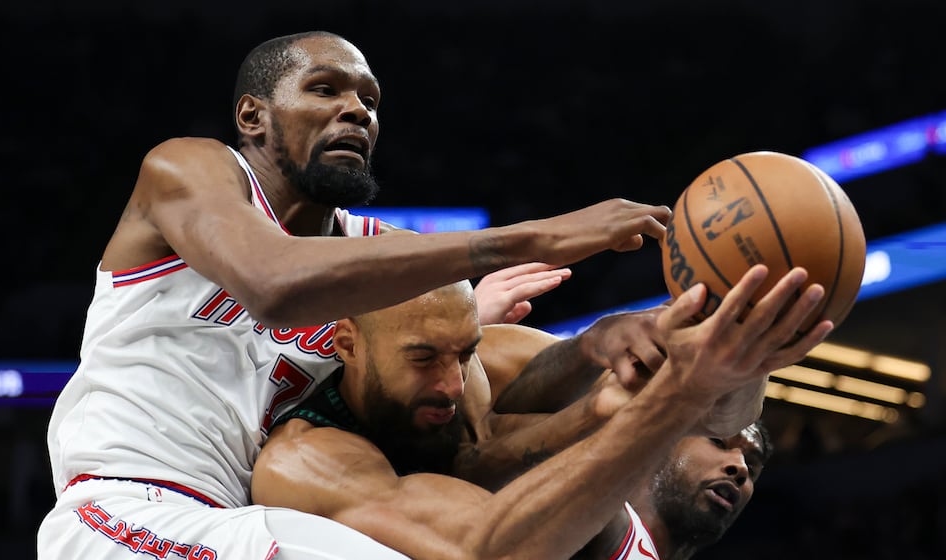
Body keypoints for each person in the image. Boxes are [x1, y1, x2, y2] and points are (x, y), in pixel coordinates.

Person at [38, 29, 677, 559]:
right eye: (325, 89)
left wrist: (455, 329)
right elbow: (273, 283)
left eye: (370, 101)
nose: (357, 111)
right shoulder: (190, 169)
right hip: (130, 507)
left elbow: (470, 437)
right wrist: (534, 237)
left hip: (255, 511)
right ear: (251, 115)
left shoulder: (381, 252)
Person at [252, 263, 831, 559]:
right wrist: (665, 400)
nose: (454, 382)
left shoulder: (474, 360)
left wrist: (747, 333)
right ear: (345, 343)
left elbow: (724, 418)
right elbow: (489, 549)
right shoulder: (307, 460)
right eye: (424, 357)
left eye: (466, 352)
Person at [573, 422, 772, 560]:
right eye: (718, 442)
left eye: (752, 467)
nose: (742, 468)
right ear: (662, 442)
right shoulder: (601, 520)